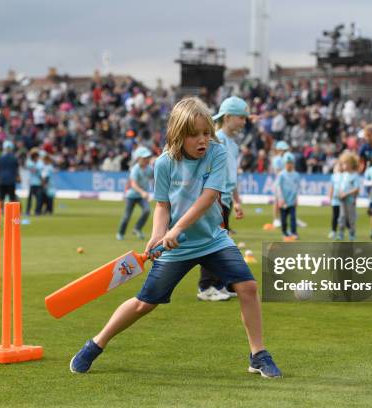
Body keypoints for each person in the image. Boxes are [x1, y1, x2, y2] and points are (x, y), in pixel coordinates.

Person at [69, 97, 282, 378]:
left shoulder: (217, 154)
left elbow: (208, 198)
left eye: (206, 133)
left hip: (213, 240)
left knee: (248, 286)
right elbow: (162, 205)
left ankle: (258, 354)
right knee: (145, 303)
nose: (202, 140)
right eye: (195, 135)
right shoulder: (164, 163)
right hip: (176, 249)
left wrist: (176, 229)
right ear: (179, 135)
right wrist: (159, 233)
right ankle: (96, 344)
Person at [197, 96, 246, 301]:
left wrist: (237, 201)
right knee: (212, 243)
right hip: (214, 200)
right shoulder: (215, 140)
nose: (244, 121)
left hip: (225, 200)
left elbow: (231, 176)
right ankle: (206, 287)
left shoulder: (232, 144)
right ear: (227, 117)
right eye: (241, 117)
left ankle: (219, 284)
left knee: (220, 243)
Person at [116, 146, 153, 240]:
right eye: (144, 158)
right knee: (127, 216)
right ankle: (120, 233)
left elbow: (155, 178)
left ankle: (137, 228)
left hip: (141, 196)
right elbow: (133, 184)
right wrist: (143, 192)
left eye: (148, 157)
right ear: (138, 158)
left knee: (147, 210)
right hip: (131, 195)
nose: (147, 159)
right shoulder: (135, 169)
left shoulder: (149, 169)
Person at [337, 151, 361, 241]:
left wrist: (346, 194)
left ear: (352, 164)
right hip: (342, 200)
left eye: (346, 163)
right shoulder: (343, 175)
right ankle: (341, 233)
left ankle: (352, 234)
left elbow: (357, 188)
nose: (344, 166)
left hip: (350, 200)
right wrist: (340, 193)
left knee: (351, 218)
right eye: (343, 164)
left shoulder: (355, 176)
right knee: (342, 217)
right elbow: (340, 186)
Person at [276, 152, 300, 240]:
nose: (289, 165)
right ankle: (284, 232)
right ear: (284, 164)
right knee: (284, 218)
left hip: (292, 200)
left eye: (291, 163)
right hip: (283, 200)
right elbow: (278, 187)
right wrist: (281, 199)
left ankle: (294, 232)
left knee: (293, 217)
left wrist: (296, 198)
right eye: (287, 163)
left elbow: (297, 188)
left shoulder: (296, 175)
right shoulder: (281, 175)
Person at [0, 140, 20, 205]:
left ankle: (1, 211)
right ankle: (12, 212)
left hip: (2, 179)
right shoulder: (14, 158)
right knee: (12, 197)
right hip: (11, 180)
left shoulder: (0, 158)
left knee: (1, 197)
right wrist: (18, 177)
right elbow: (16, 169)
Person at [25, 148, 43, 216]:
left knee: (38, 198)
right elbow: (28, 165)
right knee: (30, 198)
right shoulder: (31, 163)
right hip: (32, 183)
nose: (36, 157)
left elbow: (39, 169)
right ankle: (28, 211)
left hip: (38, 183)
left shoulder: (39, 163)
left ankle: (37, 211)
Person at [328, 160, 342, 239]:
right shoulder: (333, 176)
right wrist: (330, 198)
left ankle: (340, 232)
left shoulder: (344, 175)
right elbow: (331, 187)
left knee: (342, 217)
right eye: (336, 166)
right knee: (335, 216)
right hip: (335, 200)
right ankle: (333, 231)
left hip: (343, 200)